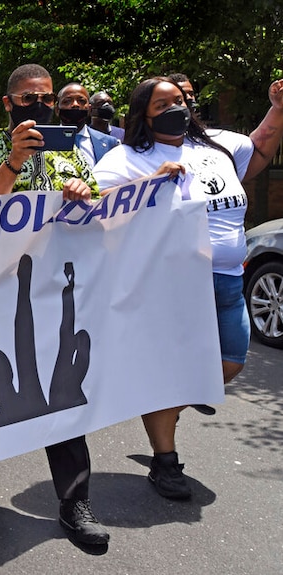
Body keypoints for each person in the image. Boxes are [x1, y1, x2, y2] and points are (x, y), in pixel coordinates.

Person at [92, 76, 283, 500]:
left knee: (230, 362)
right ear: (143, 115)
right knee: (170, 374)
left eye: (178, 101)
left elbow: (262, 145)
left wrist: (278, 107)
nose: (175, 109)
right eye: (161, 106)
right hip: (170, 287)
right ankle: (165, 461)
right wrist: (151, 182)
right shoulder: (126, 159)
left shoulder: (215, 149)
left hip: (229, 280)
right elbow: (97, 210)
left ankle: (163, 401)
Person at [0, 64, 109, 546]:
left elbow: (100, 216)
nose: (38, 106)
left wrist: (86, 196)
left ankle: (73, 501)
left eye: (45, 97)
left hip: (54, 295)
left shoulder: (72, 155)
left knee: (62, 391)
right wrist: (13, 164)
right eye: (26, 99)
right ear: (8, 105)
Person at [57, 82, 120, 166]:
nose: (75, 105)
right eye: (67, 101)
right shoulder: (44, 141)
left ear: (90, 109)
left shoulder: (110, 143)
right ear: (57, 110)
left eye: (81, 101)